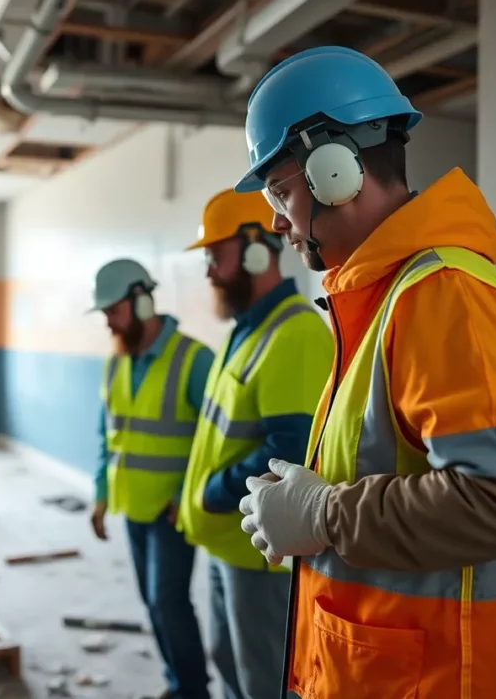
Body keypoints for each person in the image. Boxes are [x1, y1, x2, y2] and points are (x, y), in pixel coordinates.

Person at [233, 46, 496, 699]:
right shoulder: (386, 297)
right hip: (388, 672)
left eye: (279, 190)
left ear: (337, 171)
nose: (275, 220)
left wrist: (325, 513)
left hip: (444, 678)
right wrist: (304, 504)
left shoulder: (446, 295)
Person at [177, 189, 333, 699]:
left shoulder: (295, 333)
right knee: (230, 665)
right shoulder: (248, 330)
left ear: (254, 252)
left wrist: (212, 492)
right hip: (230, 543)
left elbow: (285, 451)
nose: (208, 271)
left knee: (262, 678)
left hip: (257, 552)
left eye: (214, 256)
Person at [88, 258, 214, 699]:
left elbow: (214, 440)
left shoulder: (195, 360)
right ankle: (177, 683)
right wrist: (101, 494)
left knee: (169, 602)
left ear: (141, 301)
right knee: (152, 603)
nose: (108, 321)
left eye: (113, 311)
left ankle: (193, 690)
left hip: (171, 509)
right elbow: (109, 435)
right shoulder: (115, 362)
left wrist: (184, 494)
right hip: (132, 504)